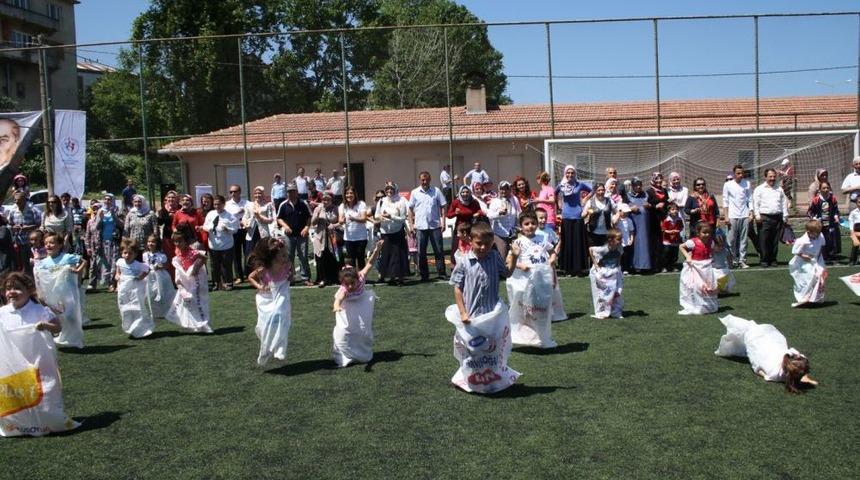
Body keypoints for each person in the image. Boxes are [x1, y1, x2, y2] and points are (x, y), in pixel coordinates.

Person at [0, 271, 81, 437]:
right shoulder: (3, 313)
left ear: (29, 290)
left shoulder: (39, 310)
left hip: (39, 360)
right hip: (13, 364)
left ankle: (49, 421)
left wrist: (46, 326)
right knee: (17, 392)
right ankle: (18, 424)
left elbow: (57, 327)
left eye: (17, 288)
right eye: (8, 288)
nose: (12, 292)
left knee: (45, 389)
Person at [446, 222, 519, 394]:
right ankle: (469, 379)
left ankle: (492, 380)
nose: (483, 247)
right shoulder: (464, 261)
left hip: (491, 314)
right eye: (479, 243)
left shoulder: (494, 257)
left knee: (492, 348)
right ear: (470, 240)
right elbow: (457, 287)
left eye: (487, 243)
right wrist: (463, 312)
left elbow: (507, 273)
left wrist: (514, 257)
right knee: (473, 350)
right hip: (471, 316)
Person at [714, 315, 818, 394]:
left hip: (762, 344)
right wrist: (804, 378)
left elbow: (759, 369)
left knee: (751, 341)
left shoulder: (781, 366)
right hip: (761, 340)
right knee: (751, 338)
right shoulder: (775, 373)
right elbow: (759, 370)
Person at [506, 210, 558, 348]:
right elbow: (508, 260)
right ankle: (521, 335)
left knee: (541, 309)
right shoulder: (518, 242)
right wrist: (519, 264)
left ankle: (542, 336)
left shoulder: (543, 238)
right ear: (521, 226)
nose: (530, 226)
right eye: (526, 224)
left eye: (533, 223)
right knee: (526, 310)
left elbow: (552, 252)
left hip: (541, 281)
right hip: (525, 282)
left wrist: (552, 259)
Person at [332, 241, 384, 367]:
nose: (350, 286)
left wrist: (377, 249)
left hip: (362, 302)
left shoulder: (361, 276)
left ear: (357, 279)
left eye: (352, 283)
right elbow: (338, 299)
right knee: (343, 330)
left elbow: (370, 262)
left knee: (362, 329)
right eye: (347, 284)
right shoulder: (344, 289)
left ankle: (362, 353)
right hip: (347, 305)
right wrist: (337, 306)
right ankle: (344, 356)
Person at [35, 232, 87, 348]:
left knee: (71, 315)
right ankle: (60, 334)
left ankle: (75, 338)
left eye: (52, 243)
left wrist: (78, 271)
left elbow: (84, 261)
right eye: (46, 243)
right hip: (54, 294)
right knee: (59, 315)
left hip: (69, 292)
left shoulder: (67, 257)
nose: (48, 245)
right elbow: (40, 277)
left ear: (60, 245)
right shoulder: (43, 263)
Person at [247, 237, 292, 366]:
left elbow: (291, 270)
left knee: (281, 315)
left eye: (286, 254)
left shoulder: (287, 264)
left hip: (281, 290)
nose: (285, 257)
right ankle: (266, 347)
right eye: (282, 255)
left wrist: (291, 276)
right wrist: (260, 286)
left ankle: (280, 348)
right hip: (265, 296)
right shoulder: (264, 269)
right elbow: (251, 277)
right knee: (265, 325)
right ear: (272, 257)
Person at [165, 231, 212, 333]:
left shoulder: (192, 252)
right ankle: (192, 324)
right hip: (186, 279)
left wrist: (196, 267)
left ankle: (202, 323)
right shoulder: (178, 252)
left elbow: (204, 257)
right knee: (187, 302)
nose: (177, 244)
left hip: (195, 280)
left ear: (186, 242)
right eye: (175, 242)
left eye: (179, 241)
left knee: (197, 300)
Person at [408, 171, 448, 281]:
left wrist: (443, 222)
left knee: (439, 251)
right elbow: (410, 209)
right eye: (422, 180)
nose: (424, 182)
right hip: (420, 227)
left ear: (430, 180)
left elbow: (444, 206)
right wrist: (411, 225)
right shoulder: (415, 192)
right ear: (419, 180)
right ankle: (424, 275)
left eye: (426, 180)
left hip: (435, 226)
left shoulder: (436, 191)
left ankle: (441, 273)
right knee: (421, 253)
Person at [556, 165, 592, 276]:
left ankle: (579, 268)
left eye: (572, 173)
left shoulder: (579, 184)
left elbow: (592, 191)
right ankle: (567, 268)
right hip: (566, 216)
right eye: (568, 173)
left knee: (578, 243)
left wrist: (585, 199)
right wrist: (558, 203)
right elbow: (554, 193)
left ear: (575, 174)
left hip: (578, 216)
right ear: (565, 173)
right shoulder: (561, 185)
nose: (570, 175)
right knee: (568, 243)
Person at [114, 238, 154, 339]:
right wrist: (117, 275)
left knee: (137, 307)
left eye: (130, 253)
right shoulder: (120, 261)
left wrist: (140, 277)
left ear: (135, 254)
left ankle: (141, 328)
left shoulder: (138, 265)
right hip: (123, 288)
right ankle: (130, 325)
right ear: (122, 253)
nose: (127, 255)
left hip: (135, 289)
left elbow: (147, 270)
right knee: (124, 307)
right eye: (125, 253)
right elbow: (118, 272)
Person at [678, 222, 718, 315]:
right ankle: (693, 305)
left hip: (706, 268)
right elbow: (681, 246)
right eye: (704, 232)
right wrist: (688, 256)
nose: (707, 235)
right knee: (694, 286)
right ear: (698, 233)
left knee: (707, 286)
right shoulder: (693, 242)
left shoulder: (710, 242)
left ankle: (706, 305)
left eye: (708, 233)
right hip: (695, 267)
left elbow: (710, 252)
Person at [277, 183, 313, 286]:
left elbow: (310, 217)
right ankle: (290, 277)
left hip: (302, 235)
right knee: (288, 257)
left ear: (297, 192)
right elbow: (279, 218)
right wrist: (286, 226)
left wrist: (306, 227)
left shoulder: (303, 203)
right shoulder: (283, 205)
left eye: (293, 191)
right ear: (287, 193)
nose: (291, 193)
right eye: (289, 192)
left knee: (303, 256)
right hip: (289, 236)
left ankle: (306, 277)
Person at [752, 169, 789, 267]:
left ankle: (773, 259)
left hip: (777, 217)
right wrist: (757, 215)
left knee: (775, 240)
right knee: (764, 240)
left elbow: (783, 203)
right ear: (765, 177)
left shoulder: (779, 189)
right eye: (770, 176)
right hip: (764, 218)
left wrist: (785, 215)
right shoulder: (759, 189)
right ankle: (764, 260)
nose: (772, 178)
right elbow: (755, 203)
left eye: (774, 176)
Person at [202, 194, 240, 291]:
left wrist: (228, 229)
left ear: (223, 204)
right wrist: (210, 228)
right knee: (214, 266)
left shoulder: (230, 216)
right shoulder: (210, 214)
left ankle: (228, 283)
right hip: (213, 245)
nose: (217, 206)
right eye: (215, 204)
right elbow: (205, 226)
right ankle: (216, 283)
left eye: (219, 204)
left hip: (226, 245)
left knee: (226, 265)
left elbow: (235, 229)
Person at [375, 183, 409, 286]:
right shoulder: (381, 201)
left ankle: (401, 277)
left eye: (391, 189)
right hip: (385, 232)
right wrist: (380, 217)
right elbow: (376, 214)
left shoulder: (401, 201)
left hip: (397, 232)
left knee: (399, 255)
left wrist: (391, 217)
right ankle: (391, 277)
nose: (389, 191)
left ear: (395, 189)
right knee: (387, 255)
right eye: (387, 189)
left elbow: (402, 218)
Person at [789, 220, 826, 307]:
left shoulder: (820, 236)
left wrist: (818, 258)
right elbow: (796, 251)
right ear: (809, 232)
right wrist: (805, 256)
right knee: (808, 277)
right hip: (804, 261)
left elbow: (821, 246)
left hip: (817, 259)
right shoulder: (802, 240)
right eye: (815, 233)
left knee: (820, 276)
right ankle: (804, 297)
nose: (817, 234)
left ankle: (816, 297)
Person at [722, 165, 753, 269]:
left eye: (742, 173)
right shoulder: (728, 184)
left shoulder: (747, 183)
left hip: (745, 215)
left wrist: (751, 213)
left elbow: (750, 199)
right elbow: (725, 201)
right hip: (732, 216)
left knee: (743, 239)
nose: (740, 175)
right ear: (734, 174)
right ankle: (732, 260)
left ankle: (742, 260)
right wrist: (726, 216)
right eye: (738, 173)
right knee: (731, 240)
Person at [589, 228, 624, 319]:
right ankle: (601, 312)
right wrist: (596, 266)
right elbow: (591, 249)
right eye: (618, 239)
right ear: (610, 240)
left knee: (616, 292)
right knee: (600, 294)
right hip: (601, 273)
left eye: (621, 239)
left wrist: (618, 267)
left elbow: (619, 257)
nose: (620, 241)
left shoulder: (620, 248)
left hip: (612, 271)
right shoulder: (604, 249)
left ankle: (615, 312)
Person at [7, 190, 40, 275]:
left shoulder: (33, 209)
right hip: (20, 242)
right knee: (25, 264)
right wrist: (14, 227)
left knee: (36, 262)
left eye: (19, 200)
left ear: (24, 199)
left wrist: (29, 227)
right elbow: (9, 224)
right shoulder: (13, 211)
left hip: (33, 243)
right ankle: (29, 282)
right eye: (15, 200)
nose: (17, 202)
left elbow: (39, 224)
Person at [807, 180, 841, 263]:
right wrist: (815, 218)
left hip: (830, 223)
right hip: (820, 224)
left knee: (831, 239)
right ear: (820, 189)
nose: (826, 190)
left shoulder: (832, 198)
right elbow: (810, 212)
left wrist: (836, 216)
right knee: (821, 240)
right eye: (824, 188)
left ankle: (831, 256)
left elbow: (836, 210)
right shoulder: (816, 200)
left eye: (827, 188)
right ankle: (822, 256)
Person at [242, 186, 276, 268]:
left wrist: (259, 217)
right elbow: (244, 217)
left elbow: (270, 219)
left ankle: (265, 270)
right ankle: (251, 272)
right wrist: (245, 223)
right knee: (250, 253)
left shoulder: (268, 205)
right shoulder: (249, 205)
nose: (258, 195)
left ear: (263, 194)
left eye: (260, 193)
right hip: (251, 233)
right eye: (256, 193)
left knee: (263, 252)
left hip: (263, 232)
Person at [143, 234, 175, 319]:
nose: (150, 244)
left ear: (157, 243)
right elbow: (145, 265)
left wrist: (159, 266)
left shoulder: (161, 255)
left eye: (153, 242)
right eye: (149, 242)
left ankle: (165, 310)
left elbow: (167, 265)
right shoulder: (145, 254)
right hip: (149, 276)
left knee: (161, 292)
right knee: (150, 293)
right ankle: (152, 311)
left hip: (160, 276)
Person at [487, 180, 520, 258]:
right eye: (502, 189)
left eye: (506, 188)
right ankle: (501, 270)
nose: (504, 191)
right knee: (503, 256)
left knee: (514, 257)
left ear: (509, 189)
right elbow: (489, 216)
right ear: (499, 190)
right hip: (500, 234)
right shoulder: (495, 201)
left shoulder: (514, 199)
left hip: (513, 233)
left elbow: (518, 212)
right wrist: (499, 213)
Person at [97, 194, 123, 292]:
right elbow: (97, 227)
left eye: (109, 199)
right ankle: (109, 283)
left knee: (115, 262)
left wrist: (114, 216)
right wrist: (99, 218)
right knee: (107, 262)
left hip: (115, 240)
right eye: (106, 199)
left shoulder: (117, 210)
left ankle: (116, 283)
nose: (107, 201)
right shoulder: (101, 211)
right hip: (104, 241)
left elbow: (122, 225)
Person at [339, 186, 369, 270]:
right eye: (347, 193)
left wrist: (353, 218)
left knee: (360, 259)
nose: (349, 195)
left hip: (361, 237)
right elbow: (340, 220)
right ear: (344, 195)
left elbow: (363, 219)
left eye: (351, 193)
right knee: (351, 260)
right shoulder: (342, 206)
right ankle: (353, 279)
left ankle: (362, 279)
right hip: (349, 238)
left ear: (355, 194)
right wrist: (343, 220)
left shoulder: (361, 204)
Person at [626, 178, 651, 274]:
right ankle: (634, 266)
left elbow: (652, 205)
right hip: (633, 224)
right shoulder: (628, 196)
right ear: (632, 186)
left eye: (640, 184)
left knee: (644, 244)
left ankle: (645, 266)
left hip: (645, 224)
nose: (638, 186)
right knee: (634, 244)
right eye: (636, 185)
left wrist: (649, 205)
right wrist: (631, 208)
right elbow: (622, 207)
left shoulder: (646, 195)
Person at [225, 185, 249, 282]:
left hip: (246, 230)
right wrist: (238, 212)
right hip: (234, 230)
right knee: (236, 254)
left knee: (248, 252)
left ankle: (248, 273)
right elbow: (226, 217)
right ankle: (239, 276)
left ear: (240, 192)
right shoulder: (227, 205)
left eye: (234, 191)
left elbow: (251, 212)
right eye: (231, 192)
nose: (233, 194)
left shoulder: (247, 203)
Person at [646, 172, 669, 272]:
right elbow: (647, 205)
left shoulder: (664, 191)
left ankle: (662, 264)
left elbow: (667, 203)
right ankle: (654, 265)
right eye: (657, 179)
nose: (659, 181)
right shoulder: (649, 191)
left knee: (663, 242)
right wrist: (655, 206)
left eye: (660, 178)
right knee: (654, 242)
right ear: (653, 180)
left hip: (663, 219)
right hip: (653, 220)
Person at [584, 182, 615, 247]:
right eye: (599, 190)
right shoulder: (590, 202)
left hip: (606, 232)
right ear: (595, 191)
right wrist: (587, 212)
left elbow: (617, 211)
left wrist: (615, 219)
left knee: (605, 254)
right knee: (593, 253)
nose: (601, 192)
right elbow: (583, 214)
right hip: (593, 233)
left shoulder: (609, 201)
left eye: (603, 190)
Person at [712, 217, 736, 294]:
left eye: (721, 246)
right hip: (713, 269)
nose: (720, 248)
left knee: (726, 278)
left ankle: (722, 289)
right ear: (713, 244)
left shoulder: (724, 250)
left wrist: (730, 264)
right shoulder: (711, 251)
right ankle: (716, 290)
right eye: (718, 246)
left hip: (723, 268)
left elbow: (729, 256)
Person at [661, 202, 684, 272]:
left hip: (675, 240)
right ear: (669, 211)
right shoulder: (666, 220)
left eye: (676, 209)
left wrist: (678, 231)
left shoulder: (679, 219)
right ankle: (664, 266)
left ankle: (673, 266)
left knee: (675, 254)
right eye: (673, 209)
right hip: (667, 240)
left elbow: (681, 227)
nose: (675, 211)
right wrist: (669, 232)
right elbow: (663, 229)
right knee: (666, 253)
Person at [613, 203, 635, 274]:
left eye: (627, 212)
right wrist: (618, 214)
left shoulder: (629, 220)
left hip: (626, 241)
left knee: (625, 255)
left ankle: (626, 268)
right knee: (618, 255)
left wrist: (631, 239)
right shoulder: (616, 218)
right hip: (617, 242)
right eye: (624, 212)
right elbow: (614, 223)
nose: (625, 213)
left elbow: (631, 231)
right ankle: (618, 268)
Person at [848, 196, 860, 265]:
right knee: (855, 245)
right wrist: (852, 231)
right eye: (859, 202)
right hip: (856, 230)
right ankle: (852, 260)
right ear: (856, 203)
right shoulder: (853, 212)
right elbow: (851, 221)